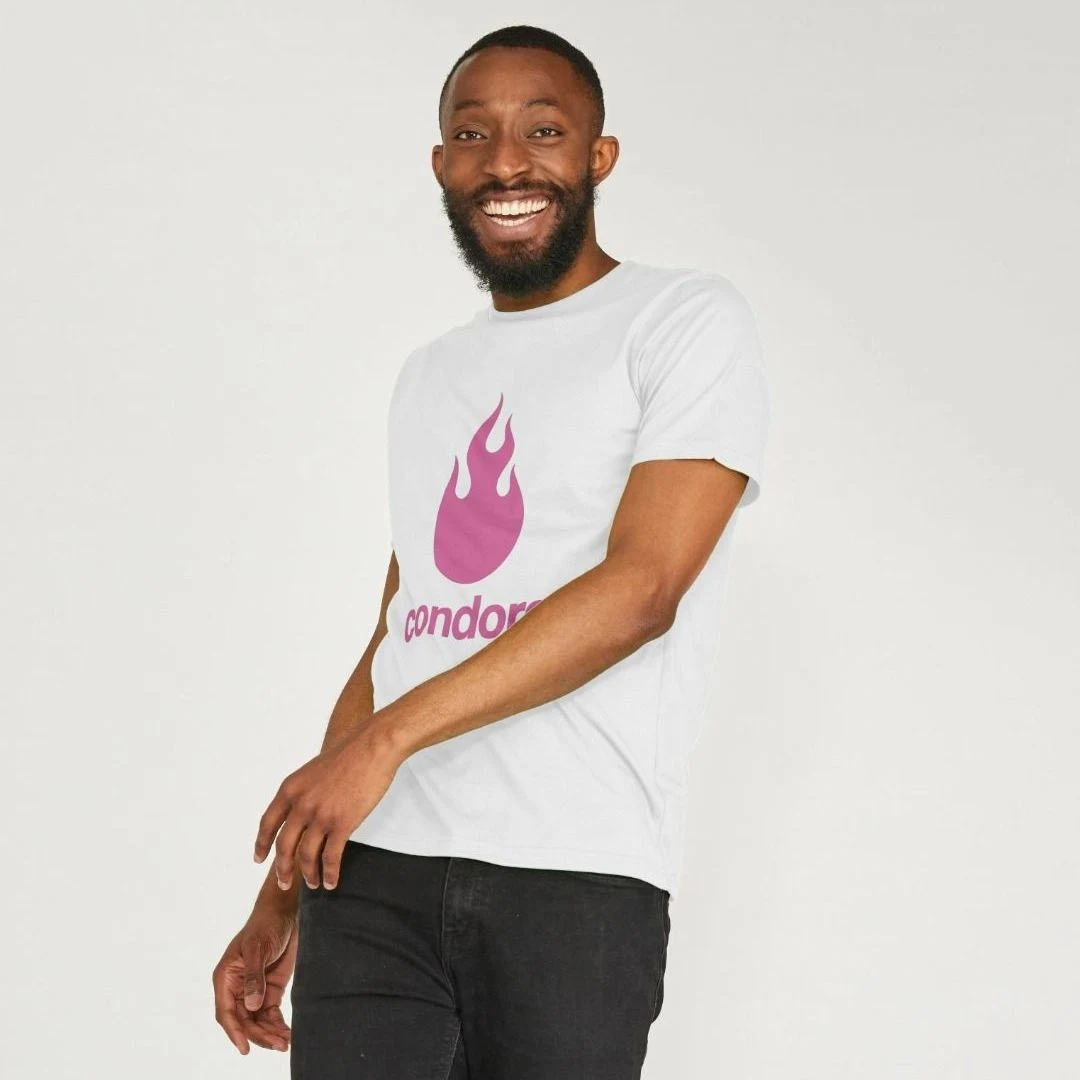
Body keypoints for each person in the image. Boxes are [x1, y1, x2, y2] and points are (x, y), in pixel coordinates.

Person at [212, 23, 770, 1079]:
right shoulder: (429, 374)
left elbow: (643, 589)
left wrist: (384, 747)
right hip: (372, 878)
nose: (507, 162)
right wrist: (281, 893)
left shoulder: (683, 321)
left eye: (543, 131)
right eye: (474, 134)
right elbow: (399, 631)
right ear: (442, 164)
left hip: (572, 878)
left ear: (599, 156)